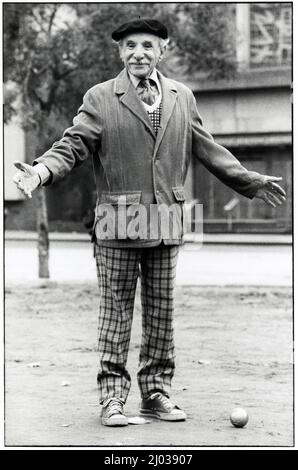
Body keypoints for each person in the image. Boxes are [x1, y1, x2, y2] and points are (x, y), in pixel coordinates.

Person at [13, 18, 286, 427]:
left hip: (165, 222)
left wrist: (249, 180)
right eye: (130, 46)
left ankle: (156, 393)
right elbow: (72, 145)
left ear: (163, 50)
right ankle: (112, 399)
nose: (138, 52)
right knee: (115, 315)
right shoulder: (101, 97)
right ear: (120, 52)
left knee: (162, 315)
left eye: (147, 45)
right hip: (117, 224)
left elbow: (206, 148)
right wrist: (39, 171)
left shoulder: (182, 96)